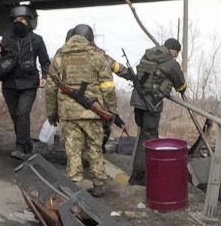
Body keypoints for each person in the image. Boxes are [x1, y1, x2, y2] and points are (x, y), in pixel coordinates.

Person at [46, 23, 118, 196]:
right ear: (90, 38)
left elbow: (50, 88)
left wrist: (52, 113)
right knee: (95, 148)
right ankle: (99, 184)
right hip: (94, 112)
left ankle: (74, 186)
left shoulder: (60, 56)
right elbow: (108, 87)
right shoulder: (98, 56)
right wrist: (111, 110)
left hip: (69, 114)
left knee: (73, 150)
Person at [0, 4, 50, 159]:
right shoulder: (6, 38)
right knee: (16, 116)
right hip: (9, 84)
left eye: (21, 19)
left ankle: (21, 147)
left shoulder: (37, 40)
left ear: (29, 21)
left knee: (23, 113)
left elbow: (45, 62)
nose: (18, 22)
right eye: (15, 19)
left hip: (29, 84)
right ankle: (26, 144)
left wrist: (45, 77)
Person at [118, 37, 184, 181]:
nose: (176, 56)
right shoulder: (171, 63)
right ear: (172, 49)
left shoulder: (148, 54)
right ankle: (141, 175)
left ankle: (139, 172)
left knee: (143, 135)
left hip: (137, 101)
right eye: (177, 52)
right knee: (149, 140)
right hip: (151, 104)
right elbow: (181, 85)